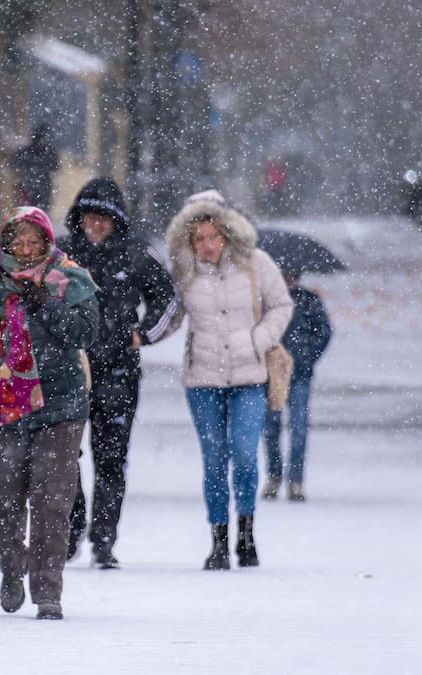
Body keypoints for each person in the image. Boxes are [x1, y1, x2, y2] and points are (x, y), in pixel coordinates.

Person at [0, 206, 99, 620]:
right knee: (3, 496)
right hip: (5, 403)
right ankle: (12, 569)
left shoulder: (70, 277)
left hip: (61, 404)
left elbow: (87, 333)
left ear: (48, 242)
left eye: (34, 242)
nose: (26, 250)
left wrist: (47, 304)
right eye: (18, 242)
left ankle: (49, 590)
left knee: (52, 500)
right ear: (6, 244)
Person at [164, 190, 292, 571]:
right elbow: (169, 316)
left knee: (244, 454)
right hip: (202, 379)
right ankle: (218, 540)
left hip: (249, 376)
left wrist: (259, 339)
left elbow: (281, 306)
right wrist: (134, 334)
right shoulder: (184, 273)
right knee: (214, 460)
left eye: (213, 235)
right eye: (199, 238)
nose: (207, 245)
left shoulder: (256, 264)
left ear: (228, 233)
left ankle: (246, 533)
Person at [58, 177, 179, 569]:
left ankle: (104, 541)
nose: (95, 223)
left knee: (111, 459)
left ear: (117, 220)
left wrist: (142, 335)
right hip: (69, 373)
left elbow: (169, 300)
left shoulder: (138, 254)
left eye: (104, 217)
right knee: (64, 456)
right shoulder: (60, 254)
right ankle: (72, 530)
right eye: (89, 215)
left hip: (119, 375)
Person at [261, 273, 332, 502]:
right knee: (271, 428)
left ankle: (295, 480)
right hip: (271, 373)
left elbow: (323, 331)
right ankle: (275, 476)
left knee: (298, 428)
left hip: (299, 372)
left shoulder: (307, 300)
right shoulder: (264, 300)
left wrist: (308, 357)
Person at [12, 122, 59, 211]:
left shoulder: (47, 153)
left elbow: (55, 167)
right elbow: (14, 164)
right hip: (29, 188)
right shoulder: (28, 152)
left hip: (38, 189)